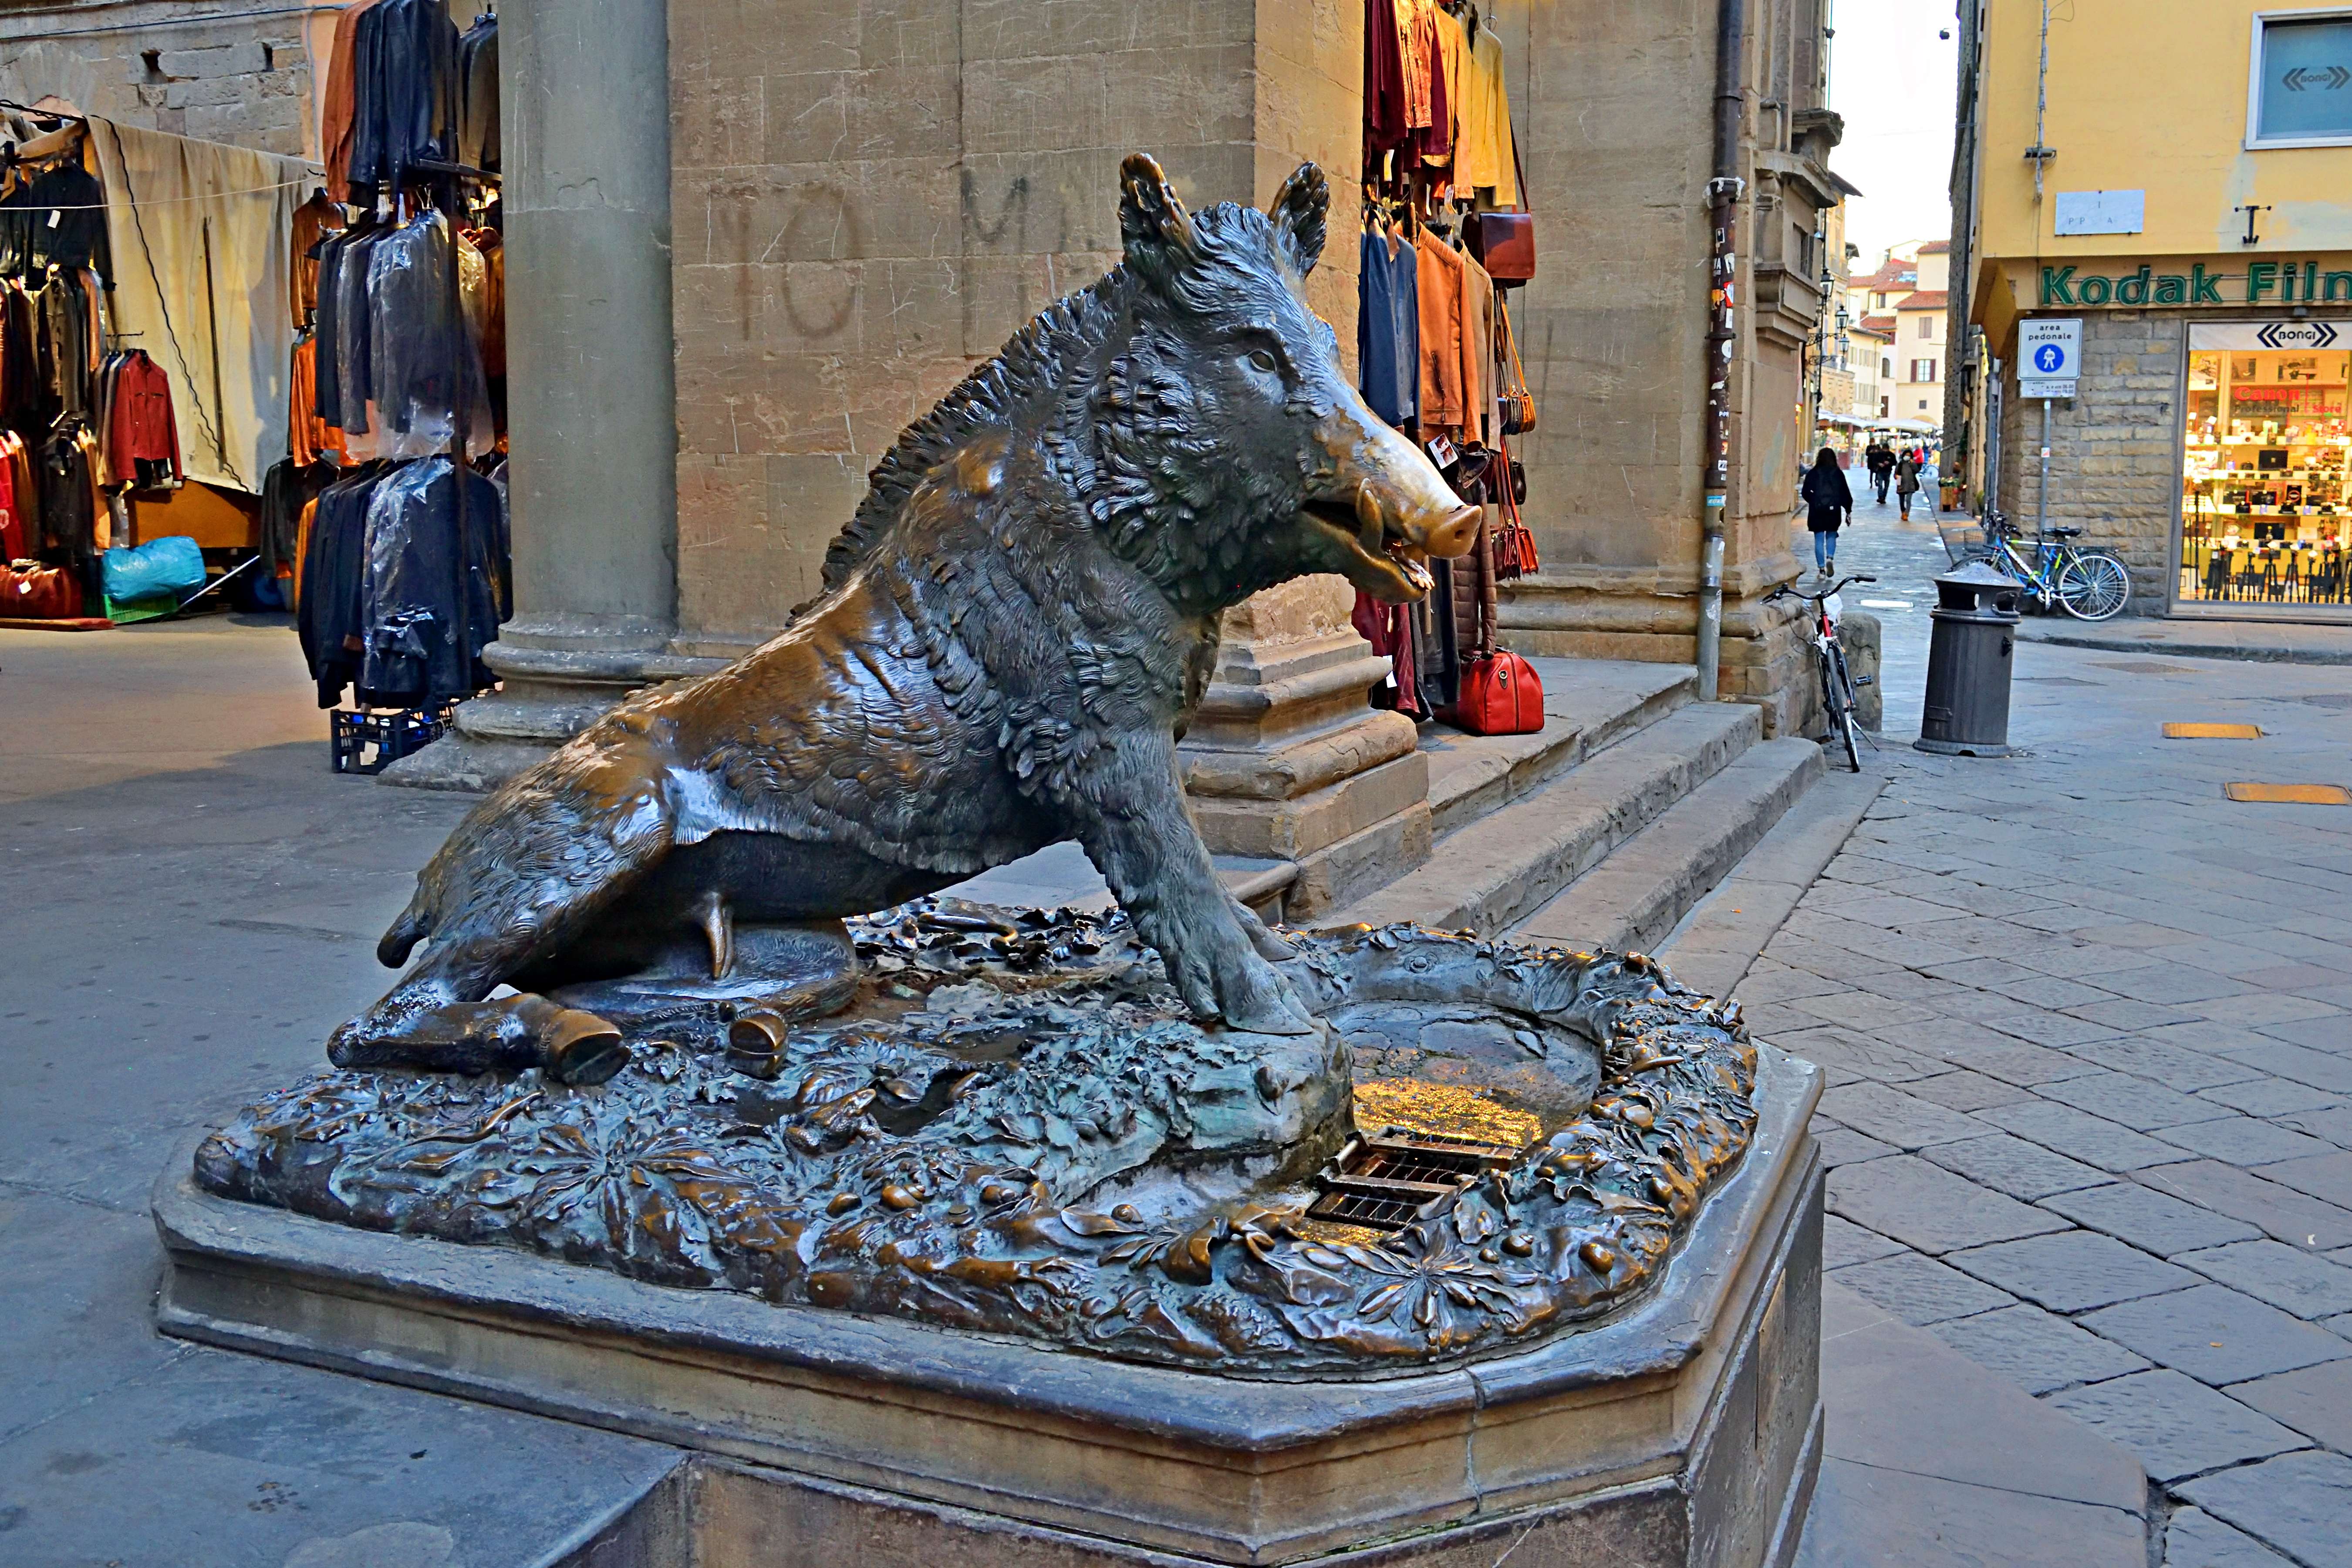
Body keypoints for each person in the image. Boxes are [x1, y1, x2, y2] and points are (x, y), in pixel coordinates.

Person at [1801, 446, 1853, 578]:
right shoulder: (1837, 473)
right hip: (1833, 510)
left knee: (1818, 539)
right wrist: (1848, 510)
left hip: (1817, 511)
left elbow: (1805, 492)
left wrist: (1814, 502)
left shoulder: (1813, 473)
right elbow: (1845, 493)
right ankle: (1830, 557)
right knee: (1831, 535)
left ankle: (1822, 570)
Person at [1864, 439, 1895, 504]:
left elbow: (1895, 462)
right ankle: (1880, 497)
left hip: (1888, 471)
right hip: (1880, 471)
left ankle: (1883, 497)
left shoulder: (1891, 455)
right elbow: (1874, 461)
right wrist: (1879, 464)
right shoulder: (1878, 454)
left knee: (1886, 486)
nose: (1885, 451)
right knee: (1880, 485)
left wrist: (1889, 463)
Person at [1895, 448, 1922, 521]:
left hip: (1910, 485)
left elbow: (1917, 471)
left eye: (1909, 456)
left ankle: (1907, 514)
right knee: (1901, 501)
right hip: (1901, 485)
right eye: (1906, 455)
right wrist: (1898, 482)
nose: (1908, 457)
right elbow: (1896, 474)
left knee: (1908, 500)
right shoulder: (1900, 464)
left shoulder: (1912, 464)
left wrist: (1913, 464)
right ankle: (1903, 512)